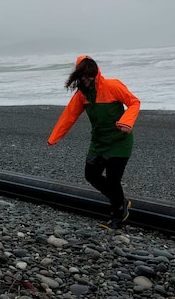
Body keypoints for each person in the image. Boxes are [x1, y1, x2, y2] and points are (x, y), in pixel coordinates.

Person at [47, 55, 141, 230]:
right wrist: (54, 137)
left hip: (120, 141)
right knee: (91, 175)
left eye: (89, 75)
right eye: (82, 76)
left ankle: (118, 215)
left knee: (113, 180)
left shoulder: (113, 86)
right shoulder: (82, 95)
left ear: (95, 73)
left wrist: (127, 122)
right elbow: (69, 116)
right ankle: (121, 201)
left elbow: (134, 102)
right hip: (98, 142)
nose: (86, 79)